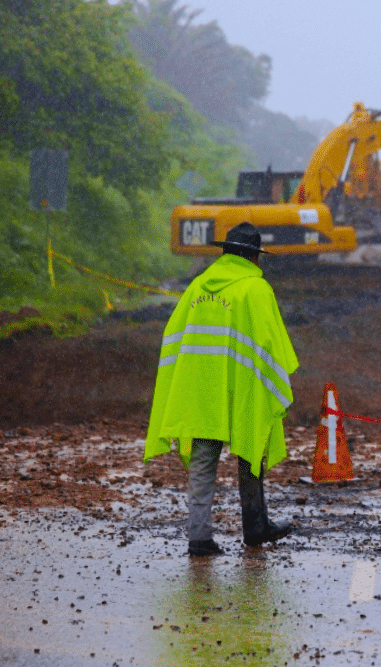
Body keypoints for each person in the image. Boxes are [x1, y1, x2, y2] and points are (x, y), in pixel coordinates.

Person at [144, 222, 299, 557]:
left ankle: (198, 538)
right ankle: (256, 528)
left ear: (227, 252)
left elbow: (174, 334)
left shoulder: (198, 287)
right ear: (252, 257)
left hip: (200, 390)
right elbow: (271, 346)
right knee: (250, 452)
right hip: (242, 388)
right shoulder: (256, 291)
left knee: (202, 464)